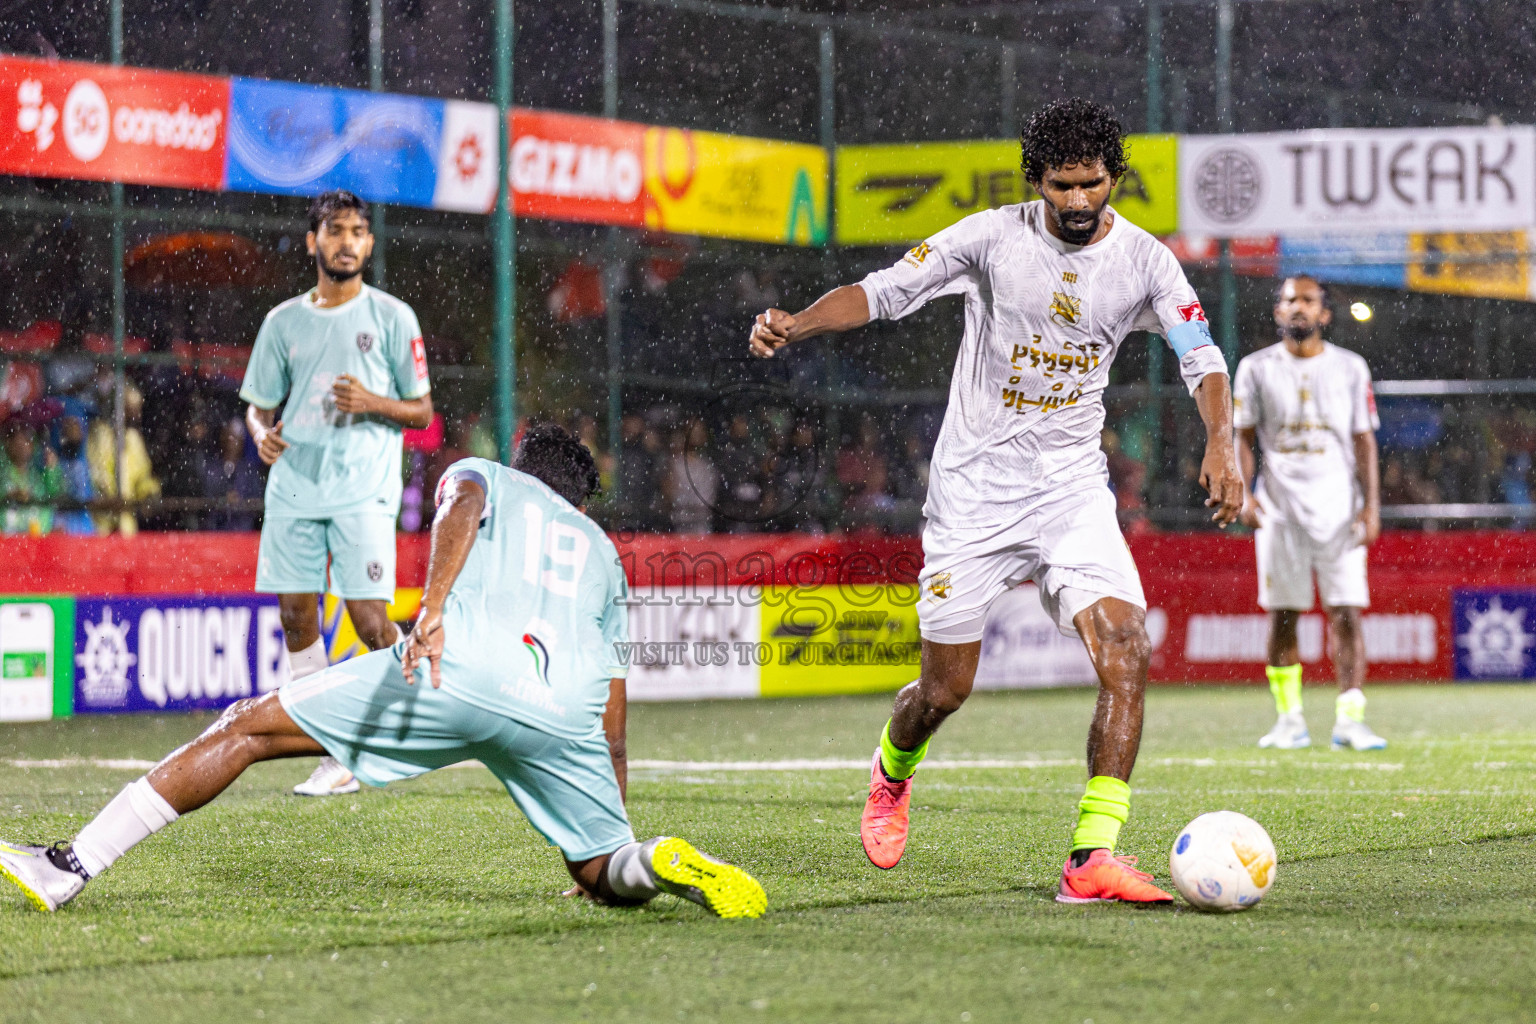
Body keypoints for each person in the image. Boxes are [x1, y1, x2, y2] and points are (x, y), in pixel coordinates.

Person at [747, 98, 1243, 904]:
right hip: (973, 495)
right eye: (1062, 185)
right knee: (944, 691)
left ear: (1115, 178)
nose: (1077, 200)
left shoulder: (1147, 263)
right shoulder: (989, 238)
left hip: (1071, 489)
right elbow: (881, 292)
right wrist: (796, 324)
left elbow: (1202, 354)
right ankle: (892, 771)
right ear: (1036, 180)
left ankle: (1090, 860)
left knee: (1126, 647)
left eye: (1091, 184)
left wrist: (1223, 440)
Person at [0, 423, 766, 919]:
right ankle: (654, 860)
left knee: (247, 729)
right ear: (583, 499)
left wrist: (430, 607)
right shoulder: (601, 551)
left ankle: (71, 865)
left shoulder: (487, 474)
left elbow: (461, 505)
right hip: (561, 714)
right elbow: (615, 725)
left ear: (522, 463)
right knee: (602, 871)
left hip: (456, 670)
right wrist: (606, 822)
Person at [240, 190, 433, 797]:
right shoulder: (282, 322)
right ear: (312, 241)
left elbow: (422, 410)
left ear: (369, 244)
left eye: (356, 232)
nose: (346, 242)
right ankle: (335, 752)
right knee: (297, 616)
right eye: (334, 230)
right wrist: (260, 435)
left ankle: (428, 710)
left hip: (363, 489)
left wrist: (372, 402)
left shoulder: (393, 317)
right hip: (295, 487)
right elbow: (257, 406)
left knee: (371, 622)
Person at [1235, 275, 1385, 752]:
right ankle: (1289, 720)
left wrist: (1371, 506)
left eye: (1307, 300)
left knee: (1347, 614)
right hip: (1280, 509)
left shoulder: (1350, 367)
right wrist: (1244, 494)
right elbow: (1242, 436)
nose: (1298, 307)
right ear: (1278, 312)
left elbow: (1364, 440)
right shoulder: (1255, 368)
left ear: (1324, 313)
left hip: (1339, 508)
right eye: (1289, 300)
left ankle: (1350, 721)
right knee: (1283, 615)